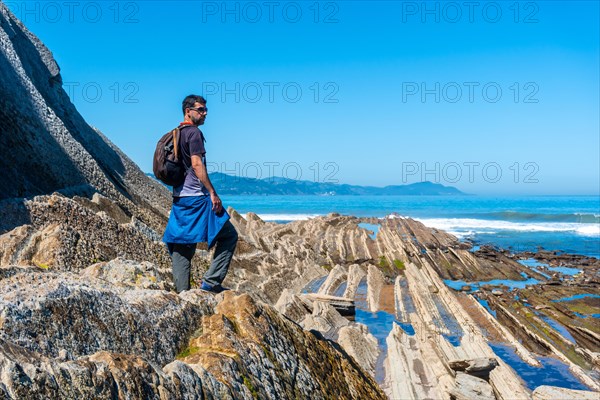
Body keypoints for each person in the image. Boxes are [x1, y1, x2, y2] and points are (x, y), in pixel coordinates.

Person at [162, 94, 238, 293]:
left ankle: (183, 295)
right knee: (229, 235)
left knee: (182, 247)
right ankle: (211, 283)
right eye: (200, 110)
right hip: (197, 198)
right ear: (188, 111)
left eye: (206, 110)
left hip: (180, 198)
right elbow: (197, 164)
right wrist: (213, 192)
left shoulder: (177, 133)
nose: (205, 114)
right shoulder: (193, 133)